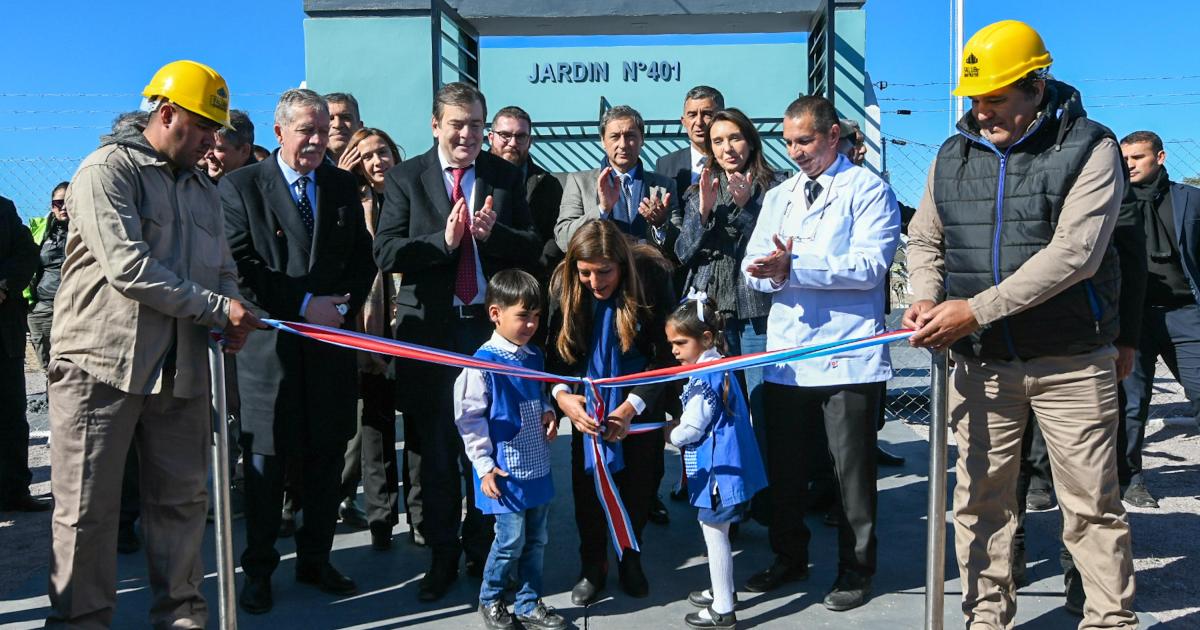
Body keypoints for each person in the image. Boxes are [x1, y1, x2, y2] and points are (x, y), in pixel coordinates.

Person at [903, 20, 1138, 628]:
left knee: (1090, 507)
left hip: (1070, 363)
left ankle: (1110, 619)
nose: (982, 114)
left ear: (1036, 86)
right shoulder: (950, 155)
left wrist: (973, 310)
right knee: (980, 503)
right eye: (975, 101)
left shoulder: (1092, 148)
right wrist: (927, 298)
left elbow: (1074, 256)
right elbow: (926, 237)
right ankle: (985, 618)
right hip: (979, 364)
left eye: (996, 99)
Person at [45, 59, 261, 628]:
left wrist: (234, 309)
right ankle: (80, 621)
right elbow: (129, 268)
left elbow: (222, 268)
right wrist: (218, 308)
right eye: (206, 129)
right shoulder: (106, 171)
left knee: (182, 506)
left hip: (182, 370)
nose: (215, 143)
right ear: (166, 115)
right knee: (87, 513)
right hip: (101, 367)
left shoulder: (201, 189)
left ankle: (181, 617)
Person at [373, 81, 541, 602]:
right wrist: (441, 243)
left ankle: (485, 551)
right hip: (431, 334)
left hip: (487, 335)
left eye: (475, 124)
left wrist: (495, 237)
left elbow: (534, 247)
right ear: (435, 126)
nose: (467, 134)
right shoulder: (406, 178)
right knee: (440, 452)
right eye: (457, 124)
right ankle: (442, 555)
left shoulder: (505, 176)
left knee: (493, 447)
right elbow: (386, 253)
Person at [741, 95, 899, 612]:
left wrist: (794, 268)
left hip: (848, 354)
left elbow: (870, 266)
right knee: (784, 470)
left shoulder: (869, 191)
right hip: (788, 353)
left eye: (805, 141)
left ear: (834, 136)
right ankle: (789, 556)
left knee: (849, 474)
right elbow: (751, 262)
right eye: (788, 142)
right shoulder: (780, 195)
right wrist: (765, 273)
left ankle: (856, 570)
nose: (796, 152)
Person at [220, 88, 376, 615]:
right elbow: (241, 267)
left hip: (330, 350)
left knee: (326, 459)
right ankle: (259, 570)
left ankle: (316, 559)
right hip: (270, 353)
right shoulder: (242, 188)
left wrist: (341, 306)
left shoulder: (338, 185)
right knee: (266, 465)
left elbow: (363, 258)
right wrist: (305, 303)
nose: (314, 140)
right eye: (304, 130)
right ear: (279, 131)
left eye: (321, 130)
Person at [545, 219, 676, 605]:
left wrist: (631, 407)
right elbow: (554, 355)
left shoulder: (651, 278)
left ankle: (630, 558)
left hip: (638, 402)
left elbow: (665, 355)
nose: (595, 281)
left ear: (622, 264)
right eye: (586, 272)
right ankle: (592, 566)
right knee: (588, 489)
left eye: (604, 272)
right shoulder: (565, 284)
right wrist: (562, 396)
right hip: (587, 405)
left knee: (640, 486)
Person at [454, 269, 568, 630]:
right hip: (504, 472)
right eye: (523, 316)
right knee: (509, 541)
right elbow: (469, 419)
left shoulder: (533, 356)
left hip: (537, 466)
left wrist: (549, 410)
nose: (531, 324)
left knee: (537, 538)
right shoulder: (481, 364)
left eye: (536, 316)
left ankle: (529, 601)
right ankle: (490, 599)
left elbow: (537, 394)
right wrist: (484, 466)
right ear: (495, 314)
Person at [666, 297, 767, 630]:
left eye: (681, 342)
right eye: (672, 344)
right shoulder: (718, 366)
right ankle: (723, 590)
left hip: (719, 475)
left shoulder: (703, 380)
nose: (675, 351)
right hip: (728, 469)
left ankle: (723, 607)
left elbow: (693, 427)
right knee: (717, 533)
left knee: (714, 534)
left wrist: (671, 434)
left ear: (706, 339)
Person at [1119, 129, 1200, 509]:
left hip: (1186, 314)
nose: (1129, 164)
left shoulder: (1190, 200)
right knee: (1131, 404)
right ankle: (1131, 480)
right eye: (1125, 158)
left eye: (1138, 157)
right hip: (1132, 318)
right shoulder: (1111, 203)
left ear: (1160, 157)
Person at [344, 126, 404, 549]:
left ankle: (420, 518)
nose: (377, 161)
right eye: (367, 157)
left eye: (382, 151)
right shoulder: (352, 202)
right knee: (375, 425)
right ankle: (381, 517)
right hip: (368, 323)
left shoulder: (414, 193)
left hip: (412, 324)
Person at [554, 105, 680, 258]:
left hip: (647, 275)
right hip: (599, 276)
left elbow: (680, 245)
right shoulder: (579, 182)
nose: (623, 144)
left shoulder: (664, 186)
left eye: (630, 136)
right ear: (603, 141)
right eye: (615, 136)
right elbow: (563, 239)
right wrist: (602, 209)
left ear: (642, 139)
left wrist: (661, 225)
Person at [489, 106, 564, 285]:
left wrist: (538, 269)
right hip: (485, 281)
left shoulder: (548, 184)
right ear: (491, 137)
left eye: (520, 136)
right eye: (505, 135)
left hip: (531, 282)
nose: (513, 143)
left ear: (529, 141)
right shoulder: (474, 177)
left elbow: (555, 234)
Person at [0, 193, 40, 513]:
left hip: (5, 335)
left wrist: (4, 285)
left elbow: (28, 253)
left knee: (12, 415)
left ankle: (15, 490)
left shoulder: (4, 209)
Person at [25, 182, 69, 373]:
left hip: (77, 306)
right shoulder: (39, 230)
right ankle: (52, 400)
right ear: (52, 206)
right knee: (49, 368)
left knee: (74, 366)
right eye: (59, 203)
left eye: (69, 201)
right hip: (44, 306)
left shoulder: (90, 229)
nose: (64, 207)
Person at [656, 86, 725, 194]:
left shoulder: (735, 160)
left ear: (722, 118)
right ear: (683, 122)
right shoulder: (666, 165)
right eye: (692, 115)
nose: (699, 122)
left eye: (707, 114)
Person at [200, 109, 257, 181]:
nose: (207, 155)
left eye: (218, 149)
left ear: (244, 151)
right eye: (207, 146)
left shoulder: (263, 187)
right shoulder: (195, 182)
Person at [326, 92, 364, 168]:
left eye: (346, 118)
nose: (337, 125)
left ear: (360, 127)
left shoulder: (374, 163)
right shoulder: (308, 168)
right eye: (330, 119)